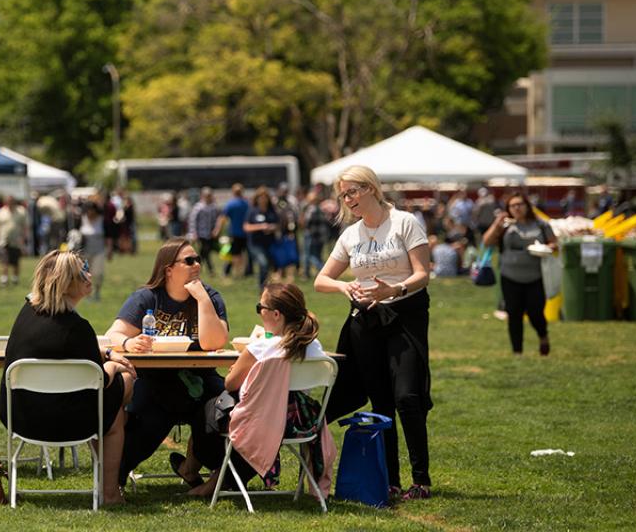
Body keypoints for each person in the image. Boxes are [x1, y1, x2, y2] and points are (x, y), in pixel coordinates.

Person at [314, 165, 433, 502]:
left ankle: (421, 480)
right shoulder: (350, 235)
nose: (347, 199)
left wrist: (392, 291)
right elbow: (320, 280)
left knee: (407, 396)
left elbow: (423, 274)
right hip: (365, 320)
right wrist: (344, 286)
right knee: (381, 400)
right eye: (343, 195)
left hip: (405, 315)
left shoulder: (405, 223)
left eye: (352, 191)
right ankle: (391, 481)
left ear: (370, 188)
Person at [0, 250, 137, 505]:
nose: (89, 275)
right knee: (118, 399)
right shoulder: (78, 329)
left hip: (21, 418)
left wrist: (106, 352)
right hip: (75, 423)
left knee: (106, 406)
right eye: (82, 272)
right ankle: (109, 492)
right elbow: (101, 380)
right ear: (66, 284)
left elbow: (61, 350)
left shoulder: (26, 316)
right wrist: (115, 366)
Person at [104, 238, 230, 488]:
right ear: (168, 269)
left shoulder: (210, 297)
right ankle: (115, 476)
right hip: (155, 379)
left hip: (201, 379)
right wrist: (129, 344)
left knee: (222, 404)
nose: (196, 265)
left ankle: (212, 468)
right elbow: (113, 335)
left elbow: (214, 342)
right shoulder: (147, 298)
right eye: (189, 261)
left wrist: (202, 300)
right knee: (149, 422)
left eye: (198, 260)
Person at [188, 282, 328, 496]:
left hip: (265, 423)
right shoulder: (314, 346)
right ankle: (217, 480)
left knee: (206, 411)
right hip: (301, 422)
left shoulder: (261, 347)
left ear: (276, 314)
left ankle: (210, 475)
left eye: (260, 308)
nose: (259, 313)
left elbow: (230, 384)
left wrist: (240, 369)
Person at [484, 192, 557, 356]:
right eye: (512, 205)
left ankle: (543, 336)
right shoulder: (505, 225)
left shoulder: (541, 225)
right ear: (508, 208)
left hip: (536, 276)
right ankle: (517, 352)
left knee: (535, 312)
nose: (516, 208)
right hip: (509, 276)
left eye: (520, 204)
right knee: (514, 315)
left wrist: (548, 248)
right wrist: (497, 223)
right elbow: (487, 242)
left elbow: (554, 242)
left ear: (527, 206)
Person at [244, 187, 279, 287]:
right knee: (263, 263)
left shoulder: (272, 211)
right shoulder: (252, 211)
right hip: (255, 244)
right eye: (261, 197)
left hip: (270, 243)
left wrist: (271, 228)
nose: (263, 200)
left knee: (271, 265)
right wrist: (261, 226)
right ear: (257, 199)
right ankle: (261, 286)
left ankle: (267, 284)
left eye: (265, 197)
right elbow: (246, 227)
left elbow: (278, 224)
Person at [0, 195, 28, 286]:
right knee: (4, 261)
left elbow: (25, 226)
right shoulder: (0, 212)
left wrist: (24, 238)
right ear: (5, 201)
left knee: (15, 262)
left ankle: (15, 279)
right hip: (3, 241)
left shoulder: (21, 211)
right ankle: (4, 279)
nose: (10, 202)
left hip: (16, 241)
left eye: (11, 201)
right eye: (8, 201)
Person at [216, 183, 250, 279]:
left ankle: (231, 271)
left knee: (233, 253)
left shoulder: (231, 204)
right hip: (246, 233)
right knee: (245, 254)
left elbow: (223, 218)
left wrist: (218, 230)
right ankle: (245, 272)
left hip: (235, 233)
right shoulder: (246, 203)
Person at [187, 187, 220, 272]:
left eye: (210, 195)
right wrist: (193, 233)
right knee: (205, 250)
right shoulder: (198, 207)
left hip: (210, 233)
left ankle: (196, 267)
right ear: (202, 196)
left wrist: (216, 230)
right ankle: (210, 269)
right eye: (207, 195)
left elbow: (217, 220)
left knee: (205, 251)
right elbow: (192, 220)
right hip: (201, 233)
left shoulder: (214, 206)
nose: (208, 197)